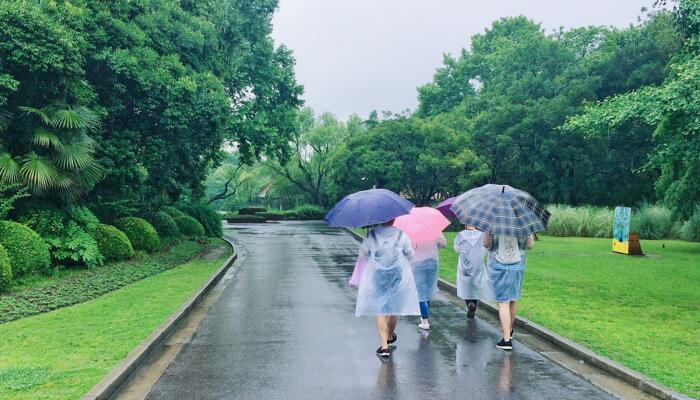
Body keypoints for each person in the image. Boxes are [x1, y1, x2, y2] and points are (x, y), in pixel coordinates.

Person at [356, 220, 420, 358]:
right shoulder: (401, 235)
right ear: (394, 218)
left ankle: (384, 347)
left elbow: (363, 253)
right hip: (396, 275)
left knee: (380, 309)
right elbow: (410, 254)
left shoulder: (372, 235)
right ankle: (390, 335)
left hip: (378, 275)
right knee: (393, 307)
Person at [483, 233, 534, 351]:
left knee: (503, 302)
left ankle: (506, 340)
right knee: (512, 299)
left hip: (498, 265)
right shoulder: (521, 222)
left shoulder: (494, 221)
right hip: (517, 265)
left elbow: (487, 244)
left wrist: (488, 233)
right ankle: (509, 331)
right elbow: (529, 245)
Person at [411, 233, 446, 330]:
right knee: (429, 289)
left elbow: (407, 249)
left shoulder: (411, 231)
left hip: (418, 263)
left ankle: (425, 320)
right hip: (432, 262)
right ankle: (424, 316)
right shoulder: (434, 229)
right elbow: (443, 244)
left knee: (421, 291)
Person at [454, 225, 486, 318]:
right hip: (477, 262)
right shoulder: (481, 235)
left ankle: (469, 303)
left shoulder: (461, 235)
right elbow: (486, 247)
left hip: (465, 262)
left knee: (465, 284)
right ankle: (473, 305)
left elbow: (456, 249)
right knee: (474, 285)